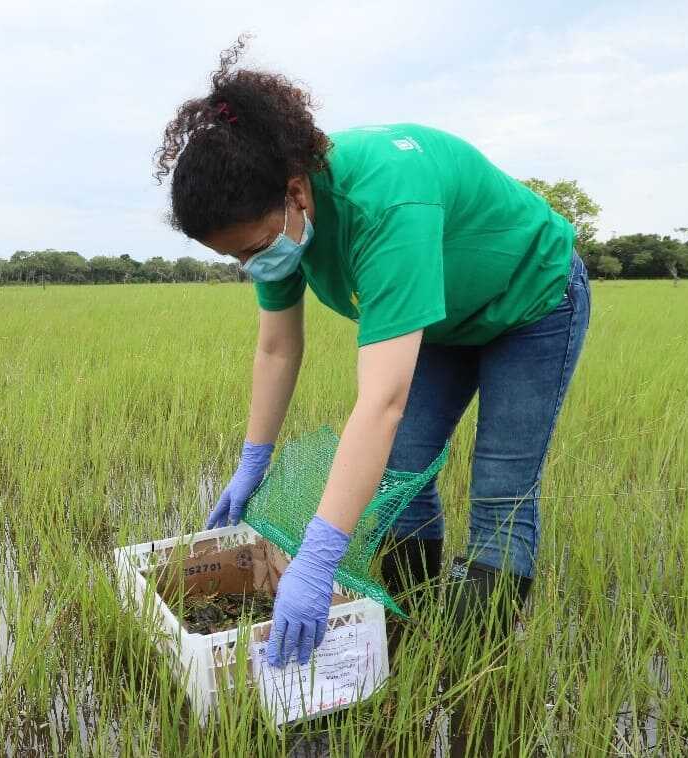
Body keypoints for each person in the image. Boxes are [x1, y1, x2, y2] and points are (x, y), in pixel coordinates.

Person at [154, 40, 590, 669]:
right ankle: (410, 633)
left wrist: (320, 552)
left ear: (296, 191)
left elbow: (380, 402)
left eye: (251, 249)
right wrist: (254, 458)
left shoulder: (385, 200)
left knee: (501, 492)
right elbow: (278, 348)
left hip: (533, 303)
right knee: (402, 478)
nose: (252, 266)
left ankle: (477, 669)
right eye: (235, 257)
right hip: (441, 320)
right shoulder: (274, 230)